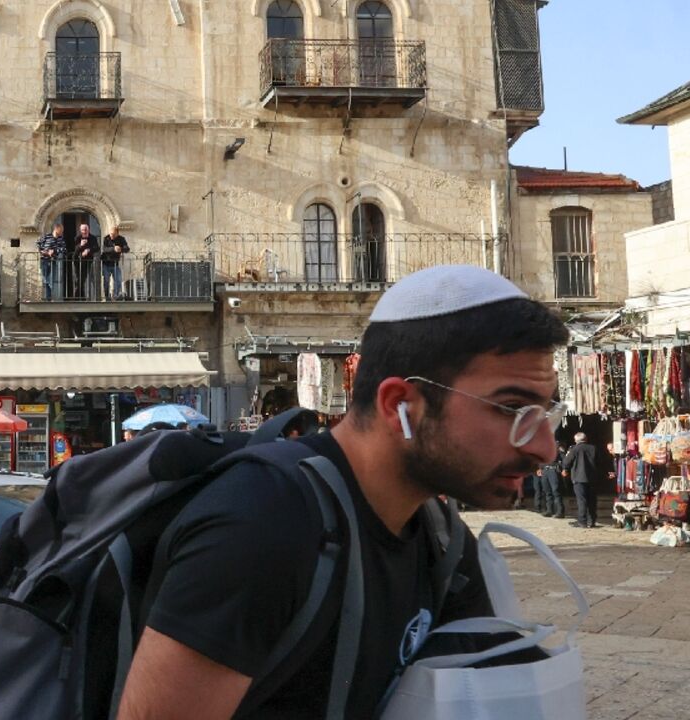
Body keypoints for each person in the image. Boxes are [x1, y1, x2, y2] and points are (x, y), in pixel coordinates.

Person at [117, 265, 567, 719]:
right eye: (511, 410)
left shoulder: (442, 538)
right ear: (400, 405)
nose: (544, 448)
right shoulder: (263, 523)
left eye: (545, 415)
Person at [562, 432, 599, 529]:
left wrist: (565, 469)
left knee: (581, 500)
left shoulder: (574, 449)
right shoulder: (593, 448)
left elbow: (566, 462)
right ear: (586, 439)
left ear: (576, 440)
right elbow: (600, 462)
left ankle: (582, 521)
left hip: (579, 478)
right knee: (592, 500)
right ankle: (592, 521)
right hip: (592, 478)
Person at [71, 223, 100, 300]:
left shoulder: (93, 238)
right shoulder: (77, 238)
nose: (84, 231)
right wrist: (80, 245)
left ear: (88, 229)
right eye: (83, 230)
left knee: (84, 279)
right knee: (78, 279)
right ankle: (78, 298)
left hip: (88, 261)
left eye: (86, 229)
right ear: (80, 230)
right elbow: (74, 251)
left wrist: (88, 250)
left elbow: (97, 248)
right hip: (77, 261)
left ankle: (83, 297)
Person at [100, 226, 130, 301]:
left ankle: (115, 296)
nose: (111, 236)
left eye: (113, 234)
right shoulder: (106, 238)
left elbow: (127, 249)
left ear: (117, 233)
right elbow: (104, 249)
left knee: (118, 280)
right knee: (106, 281)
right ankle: (107, 297)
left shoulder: (121, 239)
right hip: (106, 263)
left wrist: (121, 249)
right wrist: (113, 249)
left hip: (115, 264)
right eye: (111, 234)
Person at [38, 223, 66, 301]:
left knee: (51, 279)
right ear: (56, 229)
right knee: (46, 279)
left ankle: (49, 298)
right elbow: (38, 244)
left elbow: (64, 249)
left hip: (53, 260)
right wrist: (45, 252)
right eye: (61, 230)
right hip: (44, 260)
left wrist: (54, 251)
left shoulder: (61, 238)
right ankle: (47, 297)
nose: (62, 232)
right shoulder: (47, 236)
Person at [540, 444, 567, 519]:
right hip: (545, 470)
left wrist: (564, 469)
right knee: (547, 491)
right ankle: (549, 510)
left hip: (553, 470)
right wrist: (540, 468)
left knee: (556, 491)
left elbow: (564, 459)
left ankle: (560, 511)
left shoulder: (557, 448)